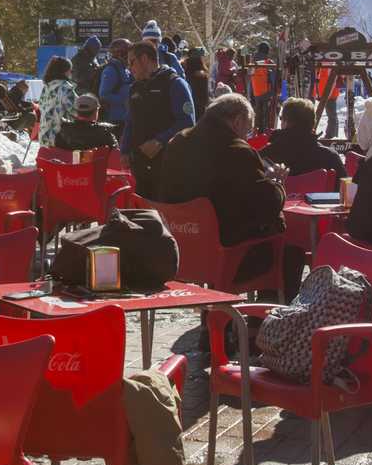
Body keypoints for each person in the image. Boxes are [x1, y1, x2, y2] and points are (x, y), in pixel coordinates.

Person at [157, 93, 296, 292]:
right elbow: (269, 204)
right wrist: (277, 183)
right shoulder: (237, 151)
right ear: (237, 121)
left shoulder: (177, 142)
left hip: (181, 247)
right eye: (247, 131)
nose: (246, 137)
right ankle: (264, 316)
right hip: (228, 254)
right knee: (287, 243)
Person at [121, 40, 195, 198]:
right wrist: (125, 149)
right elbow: (130, 120)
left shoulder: (175, 83)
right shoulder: (135, 87)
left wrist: (160, 141)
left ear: (145, 59)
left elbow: (188, 122)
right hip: (140, 166)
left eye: (132, 62)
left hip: (168, 165)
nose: (129, 68)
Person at [260, 97, 345, 182]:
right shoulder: (330, 158)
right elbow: (345, 191)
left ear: (285, 122)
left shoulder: (265, 157)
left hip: (282, 194)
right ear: (312, 124)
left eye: (281, 118)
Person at [51, 93, 120, 154]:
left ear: (77, 111)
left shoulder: (63, 131)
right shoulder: (105, 132)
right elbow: (116, 156)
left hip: (69, 168)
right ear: (96, 112)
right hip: (95, 168)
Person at [39, 56, 78, 143]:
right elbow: (77, 110)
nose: (71, 73)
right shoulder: (66, 88)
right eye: (70, 70)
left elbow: (41, 106)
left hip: (44, 136)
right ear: (65, 71)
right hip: (60, 137)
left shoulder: (47, 87)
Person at [98, 38, 134, 126]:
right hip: (115, 120)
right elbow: (103, 94)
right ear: (121, 54)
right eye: (128, 53)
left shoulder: (124, 69)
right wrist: (124, 100)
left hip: (126, 117)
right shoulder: (111, 70)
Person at [182, 48, 212, 120]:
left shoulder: (184, 73)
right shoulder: (203, 75)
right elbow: (205, 96)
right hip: (200, 106)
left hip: (187, 105)